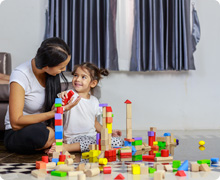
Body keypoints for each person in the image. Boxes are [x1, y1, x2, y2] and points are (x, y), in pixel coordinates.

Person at [4, 37, 80, 154]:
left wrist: (59, 104)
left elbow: (50, 108)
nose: (64, 70)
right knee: (42, 134)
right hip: (18, 132)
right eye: (61, 67)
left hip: (42, 127)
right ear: (45, 66)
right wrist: (54, 113)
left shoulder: (50, 74)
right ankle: (49, 140)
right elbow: (16, 122)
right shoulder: (20, 76)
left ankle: (50, 141)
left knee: (50, 132)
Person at [51, 62, 123, 153]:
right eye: (76, 75)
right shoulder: (70, 94)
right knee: (91, 142)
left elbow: (95, 122)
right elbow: (54, 110)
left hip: (92, 136)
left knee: (118, 141)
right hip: (74, 139)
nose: (77, 79)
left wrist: (109, 133)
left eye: (83, 77)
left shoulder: (94, 101)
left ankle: (95, 146)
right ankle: (67, 147)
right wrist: (61, 100)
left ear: (93, 83)